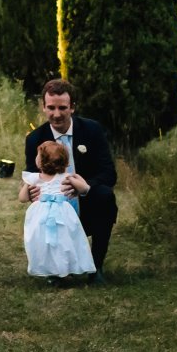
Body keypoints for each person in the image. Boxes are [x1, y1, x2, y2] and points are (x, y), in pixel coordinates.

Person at [22, 78, 118, 280]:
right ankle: (53, 270)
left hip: (87, 203)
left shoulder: (92, 130)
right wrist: (31, 191)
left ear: (72, 107)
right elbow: (32, 176)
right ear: (43, 107)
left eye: (62, 108)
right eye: (51, 108)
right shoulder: (34, 139)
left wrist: (85, 186)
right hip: (52, 210)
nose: (56, 114)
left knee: (106, 196)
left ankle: (96, 266)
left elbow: (109, 173)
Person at [20, 140, 97, 281]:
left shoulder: (64, 177)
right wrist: (27, 185)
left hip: (59, 215)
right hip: (48, 215)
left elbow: (85, 189)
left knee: (62, 241)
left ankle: (63, 270)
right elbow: (23, 198)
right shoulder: (35, 178)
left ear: (41, 161)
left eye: (38, 156)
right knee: (46, 242)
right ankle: (53, 270)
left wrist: (79, 181)